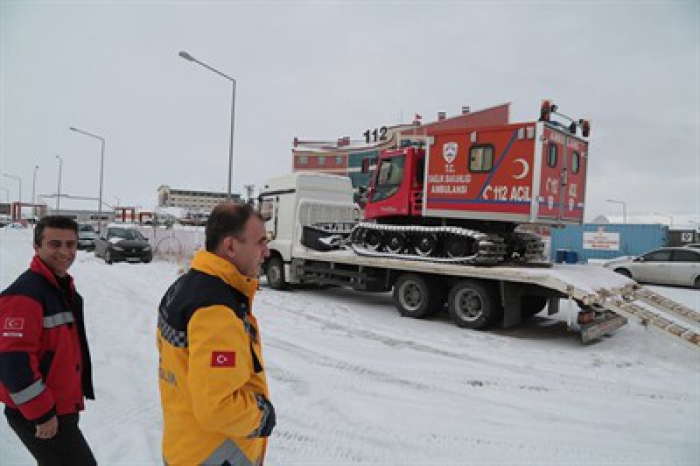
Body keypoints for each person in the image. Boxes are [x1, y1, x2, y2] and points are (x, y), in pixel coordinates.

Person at [157, 202, 275, 466]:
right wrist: (262, 416)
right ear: (230, 246)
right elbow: (217, 407)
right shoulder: (217, 309)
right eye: (260, 242)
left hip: (184, 445)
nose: (266, 252)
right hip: (216, 454)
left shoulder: (184, 287)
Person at [0, 215, 96, 465]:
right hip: (41, 411)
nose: (65, 252)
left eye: (70, 244)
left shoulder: (59, 287)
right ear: (37, 246)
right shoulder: (26, 295)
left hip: (60, 407)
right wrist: (41, 413)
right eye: (55, 244)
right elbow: (12, 362)